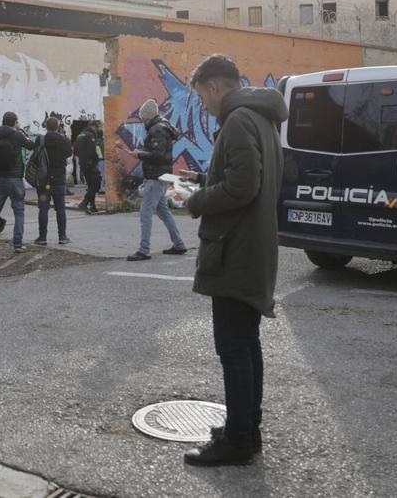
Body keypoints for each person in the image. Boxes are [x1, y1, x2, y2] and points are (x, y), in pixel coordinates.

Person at [177, 55, 286, 467]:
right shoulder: (260, 118)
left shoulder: (238, 120)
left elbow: (242, 186)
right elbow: (245, 178)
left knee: (233, 348)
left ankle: (239, 441)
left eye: (201, 96)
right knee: (246, 344)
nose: (203, 105)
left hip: (235, 250)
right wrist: (203, 181)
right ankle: (246, 427)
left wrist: (197, 200)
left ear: (214, 87)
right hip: (251, 245)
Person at [120, 99, 187, 262]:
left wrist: (140, 154)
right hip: (162, 175)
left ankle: (144, 250)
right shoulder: (164, 126)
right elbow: (160, 152)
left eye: (143, 117)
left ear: (148, 116)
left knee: (145, 213)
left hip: (155, 176)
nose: (142, 120)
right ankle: (179, 244)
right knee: (163, 211)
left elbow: (158, 154)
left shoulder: (157, 129)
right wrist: (142, 153)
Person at [0, 111, 35, 254]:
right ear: (15, 122)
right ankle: (17, 244)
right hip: (15, 178)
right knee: (19, 212)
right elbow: (31, 145)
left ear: (3, 121)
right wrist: (21, 130)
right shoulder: (17, 135)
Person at [34, 117, 73, 245]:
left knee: (43, 209)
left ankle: (42, 237)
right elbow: (69, 154)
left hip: (44, 179)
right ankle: (62, 236)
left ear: (46, 126)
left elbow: (35, 155)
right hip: (59, 178)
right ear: (57, 126)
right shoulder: (64, 140)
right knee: (60, 209)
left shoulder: (41, 140)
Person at [75, 121, 103, 213]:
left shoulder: (80, 135)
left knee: (91, 185)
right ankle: (84, 203)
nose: (97, 130)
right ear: (93, 126)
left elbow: (76, 150)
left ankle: (92, 206)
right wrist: (96, 158)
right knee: (96, 184)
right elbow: (92, 152)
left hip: (83, 163)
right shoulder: (90, 135)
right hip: (90, 163)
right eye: (97, 127)